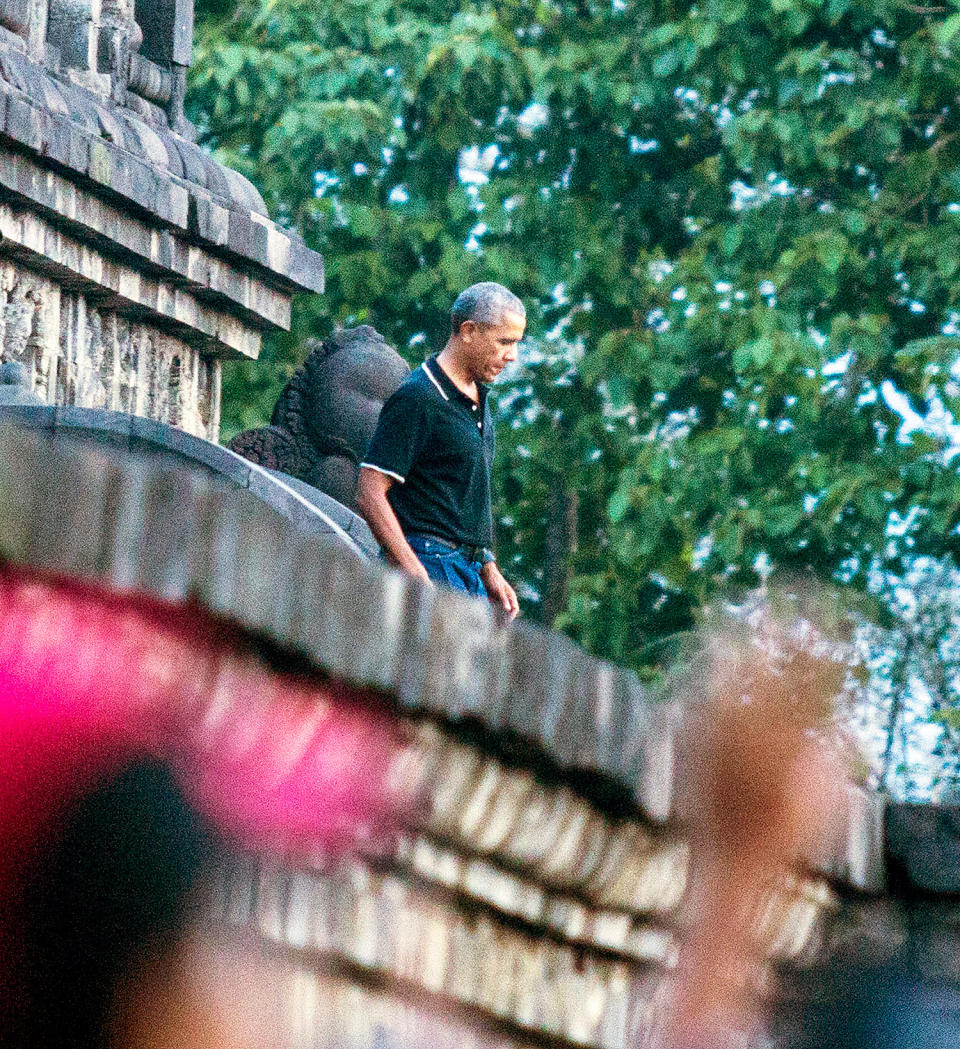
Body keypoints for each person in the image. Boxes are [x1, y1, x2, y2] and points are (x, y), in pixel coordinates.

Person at [357, 282, 523, 618]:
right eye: (504, 342)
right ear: (469, 331)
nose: (512, 355)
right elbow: (369, 491)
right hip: (427, 562)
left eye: (516, 343)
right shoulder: (419, 397)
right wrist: (415, 574)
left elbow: (460, 494)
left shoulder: (478, 396)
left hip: (467, 570)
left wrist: (487, 565)